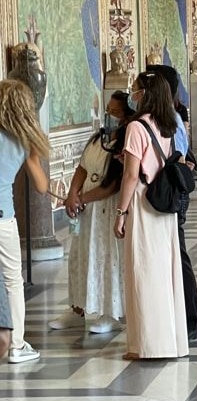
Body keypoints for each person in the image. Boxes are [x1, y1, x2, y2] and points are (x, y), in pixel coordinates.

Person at [113, 71, 188, 360]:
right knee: (165, 272)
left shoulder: (136, 127)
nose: (131, 94)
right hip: (164, 203)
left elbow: (131, 175)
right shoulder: (166, 124)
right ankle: (170, 341)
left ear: (144, 93)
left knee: (143, 271)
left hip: (144, 203)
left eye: (134, 89)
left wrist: (121, 212)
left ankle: (146, 344)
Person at [49, 91, 134, 334]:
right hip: (87, 211)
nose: (110, 115)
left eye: (115, 111)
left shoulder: (126, 141)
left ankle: (111, 311)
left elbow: (112, 185)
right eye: (108, 110)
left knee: (106, 257)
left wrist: (82, 198)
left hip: (105, 209)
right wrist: (73, 194)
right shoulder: (98, 139)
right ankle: (77, 308)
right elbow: (82, 168)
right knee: (81, 256)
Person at [146, 64, 197, 341]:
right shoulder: (161, 117)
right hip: (166, 190)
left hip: (170, 192)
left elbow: (179, 156)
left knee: (179, 254)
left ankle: (190, 320)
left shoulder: (172, 119)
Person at [0, 79, 50, 363]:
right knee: (12, 281)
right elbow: (42, 187)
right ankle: (16, 345)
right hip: (3, 218)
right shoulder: (23, 141)